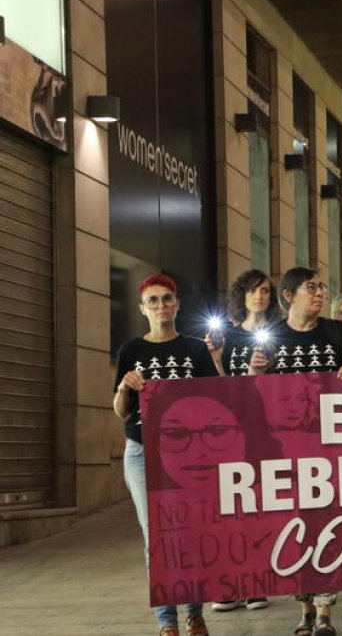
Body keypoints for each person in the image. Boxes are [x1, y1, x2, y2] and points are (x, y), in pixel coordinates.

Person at [247, 266, 342, 636]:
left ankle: (326, 610)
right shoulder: (271, 336)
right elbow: (253, 396)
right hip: (286, 452)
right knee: (295, 528)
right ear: (288, 296)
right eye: (310, 288)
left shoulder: (337, 332)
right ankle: (304, 607)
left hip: (331, 447)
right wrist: (254, 373)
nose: (319, 293)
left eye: (322, 287)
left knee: (325, 526)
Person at [112, 273, 219, 636]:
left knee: (189, 533)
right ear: (143, 308)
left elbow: (216, 400)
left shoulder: (194, 350)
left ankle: (194, 613)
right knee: (155, 536)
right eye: (153, 300)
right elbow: (120, 411)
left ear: (177, 304)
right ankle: (166, 622)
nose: (161, 306)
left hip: (189, 455)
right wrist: (126, 386)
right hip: (142, 451)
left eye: (167, 299)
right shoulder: (131, 351)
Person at [203, 270, 275, 611]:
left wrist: (259, 375)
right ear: (241, 296)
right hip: (228, 431)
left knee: (257, 507)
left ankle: (256, 581)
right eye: (252, 290)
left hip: (263, 429)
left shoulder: (279, 334)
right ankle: (229, 581)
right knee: (227, 509)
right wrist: (217, 361)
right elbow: (219, 387)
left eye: (264, 291)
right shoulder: (228, 336)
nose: (258, 296)